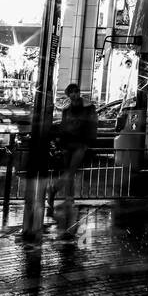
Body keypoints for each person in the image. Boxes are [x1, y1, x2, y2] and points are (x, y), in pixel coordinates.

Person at [51, 83, 97, 235]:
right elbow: (64, 127)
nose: (74, 95)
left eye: (75, 92)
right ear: (69, 95)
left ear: (78, 92)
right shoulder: (68, 109)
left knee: (71, 171)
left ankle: (54, 190)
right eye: (71, 93)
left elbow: (92, 126)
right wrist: (61, 142)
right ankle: (68, 197)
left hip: (80, 144)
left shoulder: (88, 107)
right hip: (68, 144)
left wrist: (88, 143)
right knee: (69, 171)